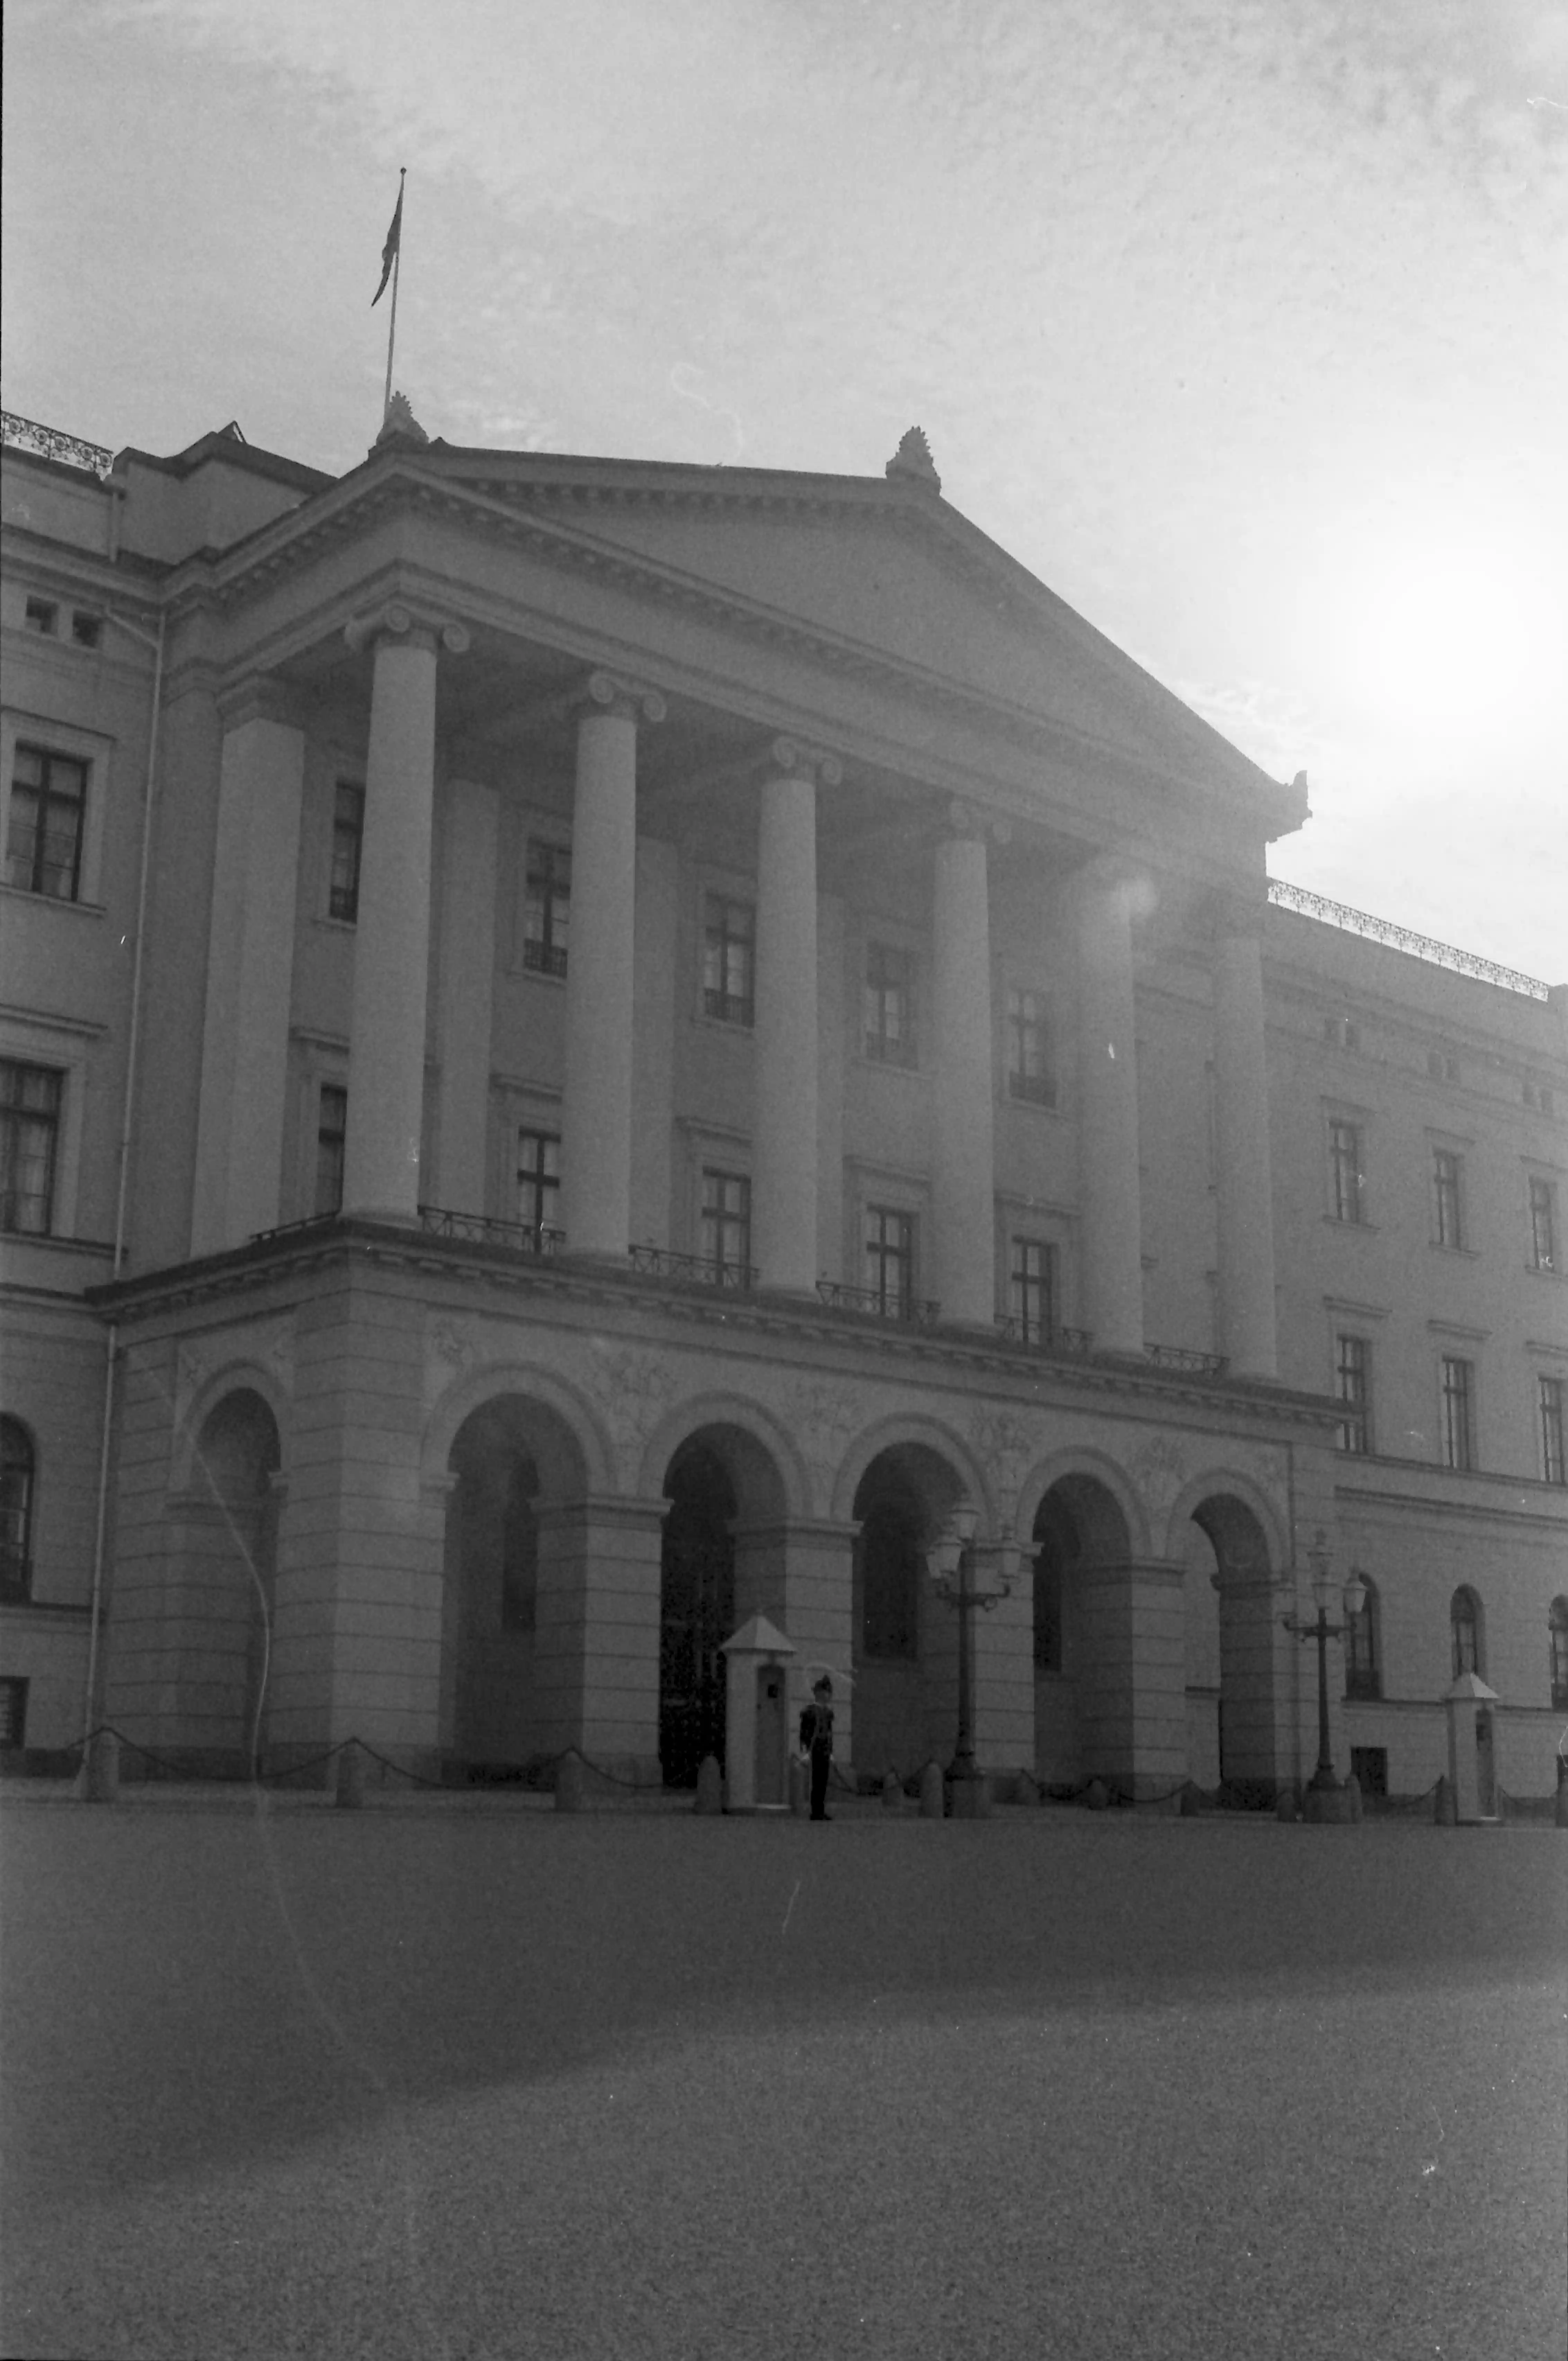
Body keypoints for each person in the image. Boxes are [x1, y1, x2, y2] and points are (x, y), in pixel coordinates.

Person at [799, 1675, 835, 1821]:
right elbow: (805, 1733)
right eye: (826, 1692)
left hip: (825, 1749)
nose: (828, 1695)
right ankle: (815, 1811)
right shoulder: (810, 1712)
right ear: (819, 1693)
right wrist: (805, 1751)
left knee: (823, 1782)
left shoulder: (828, 1713)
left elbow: (830, 1733)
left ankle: (821, 1809)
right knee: (816, 1781)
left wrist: (831, 1752)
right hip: (815, 1748)